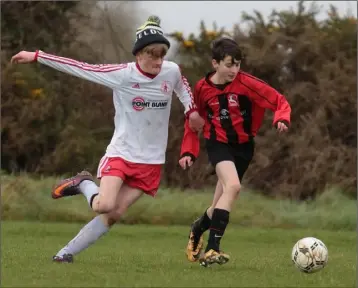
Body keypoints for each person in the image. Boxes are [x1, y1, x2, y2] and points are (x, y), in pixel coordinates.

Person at [11, 16, 204, 263]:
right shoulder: (122, 75)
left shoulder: (171, 71)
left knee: (115, 214)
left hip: (151, 160)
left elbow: (182, 86)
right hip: (122, 152)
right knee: (104, 205)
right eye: (152, 54)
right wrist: (38, 56)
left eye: (161, 54)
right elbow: (80, 67)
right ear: (138, 55)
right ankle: (83, 183)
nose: (158, 60)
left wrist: (192, 111)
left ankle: (64, 254)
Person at [179, 37, 291, 267]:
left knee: (219, 203)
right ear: (215, 63)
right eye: (229, 64)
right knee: (234, 187)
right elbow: (193, 120)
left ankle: (197, 228)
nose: (234, 70)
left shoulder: (247, 83)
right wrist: (188, 151)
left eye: (238, 64)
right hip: (218, 143)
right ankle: (212, 249)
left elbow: (278, 100)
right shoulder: (202, 88)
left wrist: (281, 118)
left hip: (244, 147)